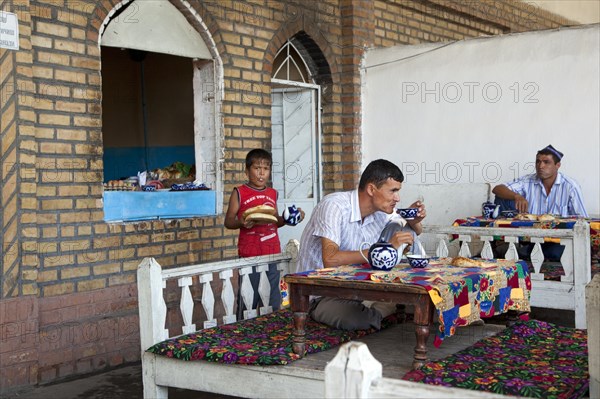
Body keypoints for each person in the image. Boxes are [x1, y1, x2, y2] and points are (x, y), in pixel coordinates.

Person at [297, 159, 426, 331]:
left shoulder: (381, 211)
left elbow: (414, 232)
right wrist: (383, 249)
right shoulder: (334, 206)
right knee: (354, 319)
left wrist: (414, 220)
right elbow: (330, 259)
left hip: (356, 288)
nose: (398, 198)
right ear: (372, 189)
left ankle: (389, 299)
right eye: (393, 191)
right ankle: (381, 310)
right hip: (321, 292)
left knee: (404, 230)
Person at [225, 149, 304, 313]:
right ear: (247, 171)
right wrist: (241, 222)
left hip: (272, 253)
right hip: (249, 255)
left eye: (266, 169)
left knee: (274, 299)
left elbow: (274, 221)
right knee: (248, 301)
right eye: (256, 168)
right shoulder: (239, 192)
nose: (261, 173)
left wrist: (291, 219)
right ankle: (244, 333)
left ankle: (272, 333)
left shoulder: (272, 193)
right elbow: (228, 221)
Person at [492, 144, 587, 260]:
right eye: (538, 162)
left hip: (558, 239)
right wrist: (516, 196)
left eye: (546, 162)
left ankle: (522, 253)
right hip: (531, 237)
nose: (540, 166)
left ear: (557, 165)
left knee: (554, 253)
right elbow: (497, 189)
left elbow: (583, 222)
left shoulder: (571, 187)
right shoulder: (527, 181)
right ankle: (510, 247)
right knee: (502, 197)